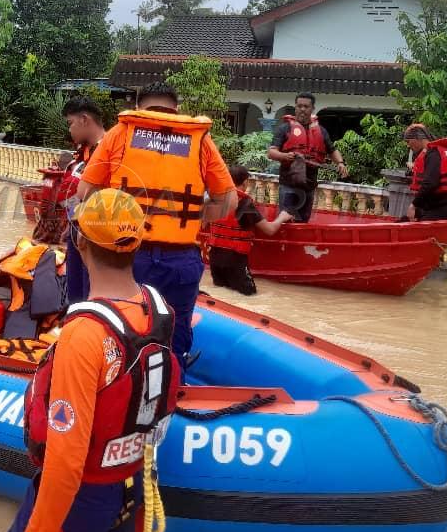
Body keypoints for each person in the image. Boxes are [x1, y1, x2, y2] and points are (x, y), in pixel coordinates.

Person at [1, 189, 180, 532]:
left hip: (82, 498)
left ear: (79, 240)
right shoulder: (158, 309)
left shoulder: (83, 334)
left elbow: (66, 463)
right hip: (129, 488)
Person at [78, 81, 236, 369]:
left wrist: (116, 213)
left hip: (124, 255)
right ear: (176, 110)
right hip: (181, 260)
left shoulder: (121, 134)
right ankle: (170, 394)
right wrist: (190, 216)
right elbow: (229, 202)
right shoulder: (199, 140)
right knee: (174, 341)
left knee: (114, 334)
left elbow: (85, 192)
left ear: (140, 107)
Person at [207, 165, 294, 295]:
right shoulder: (245, 205)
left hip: (214, 258)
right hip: (234, 259)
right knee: (250, 294)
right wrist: (282, 217)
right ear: (246, 182)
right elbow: (269, 230)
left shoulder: (214, 199)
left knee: (221, 293)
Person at [267, 92, 348, 223]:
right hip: (289, 185)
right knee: (285, 221)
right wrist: (284, 156)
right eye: (299, 106)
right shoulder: (284, 128)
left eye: (306, 106)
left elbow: (332, 150)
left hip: (309, 187)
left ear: (312, 109)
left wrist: (340, 163)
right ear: (295, 107)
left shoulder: (321, 131)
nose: (302, 109)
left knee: (303, 222)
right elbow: (271, 152)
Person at [60, 96, 106, 304]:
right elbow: (75, 194)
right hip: (77, 229)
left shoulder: (107, 151)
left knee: (90, 292)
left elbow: (91, 194)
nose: (69, 130)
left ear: (84, 120)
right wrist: (69, 223)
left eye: (71, 124)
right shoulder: (83, 154)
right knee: (76, 292)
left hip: (95, 233)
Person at [403, 123, 447, 221]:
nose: (408, 145)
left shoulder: (433, 153)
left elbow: (430, 183)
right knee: (404, 220)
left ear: (418, 138)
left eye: (408, 141)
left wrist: (413, 205)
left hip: (438, 211)